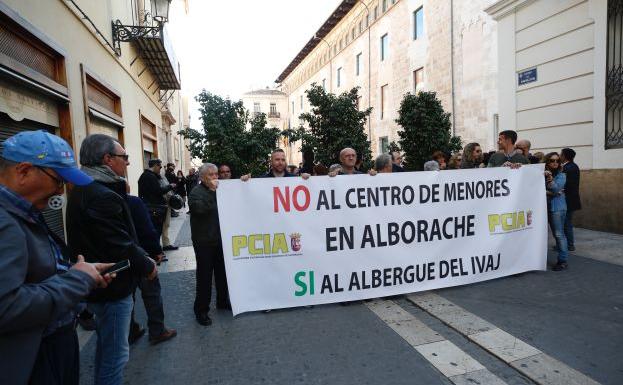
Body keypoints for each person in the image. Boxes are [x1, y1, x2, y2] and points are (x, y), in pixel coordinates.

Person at [0, 131, 114, 385]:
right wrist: (76, 280)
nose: (60, 192)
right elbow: (5, 306)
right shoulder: (5, 221)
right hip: (32, 360)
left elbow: (34, 275)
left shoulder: (22, 210)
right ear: (23, 172)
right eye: (58, 180)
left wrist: (81, 274)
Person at [66, 134, 158, 385]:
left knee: (108, 349)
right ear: (107, 159)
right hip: (112, 285)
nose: (128, 162)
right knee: (115, 356)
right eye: (124, 157)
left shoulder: (87, 189)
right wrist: (147, 264)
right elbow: (120, 243)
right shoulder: (101, 195)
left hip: (102, 283)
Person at [125, 186, 177, 346]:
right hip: (143, 257)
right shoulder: (133, 202)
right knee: (152, 294)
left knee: (128, 297)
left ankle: (130, 330)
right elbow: (147, 230)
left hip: (121, 260)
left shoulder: (96, 200)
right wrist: (156, 251)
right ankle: (157, 331)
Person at [189, 163, 230, 326]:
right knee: (205, 277)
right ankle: (201, 310)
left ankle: (222, 301)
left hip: (220, 239)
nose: (215, 178)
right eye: (211, 175)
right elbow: (200, 210)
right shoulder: (195, 193)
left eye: (216, 175)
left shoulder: (221, 190)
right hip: (204, 242)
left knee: (222, 273)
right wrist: (213, 192)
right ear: (202, 177)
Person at [138, 159, 177, 251]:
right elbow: (158, 191)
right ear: (155, 166)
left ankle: (162, 247)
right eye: (159, 166)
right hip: (154, 207)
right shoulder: (150, 176)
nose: (160, 168)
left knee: (161, 226)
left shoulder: (147, 176)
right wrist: (170, 186)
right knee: (156, 229)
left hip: (153, 206)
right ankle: (156, 251)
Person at [544, 152, 568, 271]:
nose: (555, 163)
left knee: (559, 234)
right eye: (552, 160)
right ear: (547, 162)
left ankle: (562, 260)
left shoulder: (561, 175)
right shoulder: (541, 173)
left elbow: (556, 189)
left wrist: (550, 179)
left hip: (557, 208)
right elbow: (536, 189)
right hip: (544, 208)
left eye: (557, 161)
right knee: (544, 235)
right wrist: (550, 192)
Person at [560, 148, 581, 252]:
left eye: (561, 154)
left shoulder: (569, 168)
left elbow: (568, 184)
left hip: (569, 199)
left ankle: (569, 245)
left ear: (565, 156)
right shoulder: (571, 166)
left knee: (566, 223)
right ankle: (566, 244)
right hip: (570, 199)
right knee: (566, 222)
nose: (560, 156)